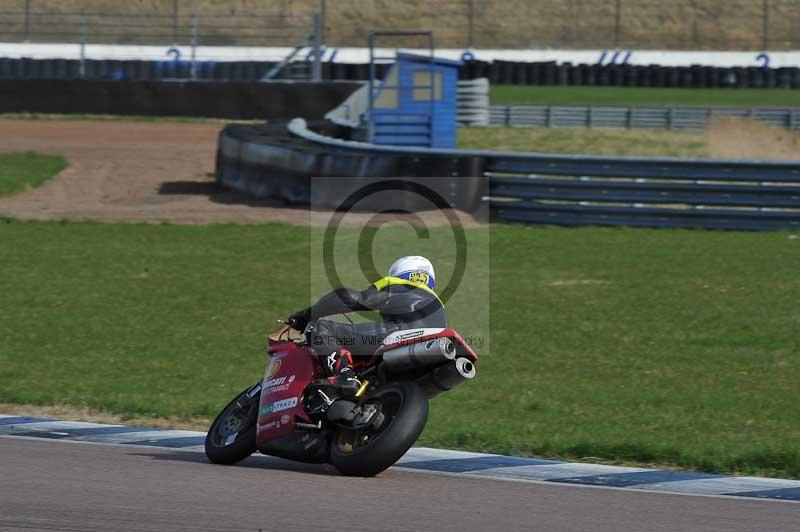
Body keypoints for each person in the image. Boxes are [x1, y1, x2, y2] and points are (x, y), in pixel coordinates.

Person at [288, 256, 447, 395]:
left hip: (400, 335)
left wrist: (305, 315)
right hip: (432, 354)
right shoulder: (439, 305)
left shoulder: (397, 284)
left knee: (322, 328)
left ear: (398, 273)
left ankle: (345, 375)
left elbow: (350, 299)